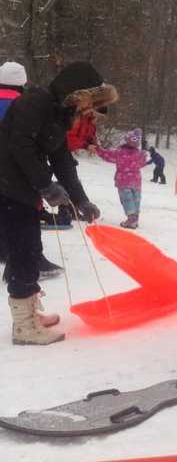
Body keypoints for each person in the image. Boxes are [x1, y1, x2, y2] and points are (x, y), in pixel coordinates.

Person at [0, 61, 113, 345]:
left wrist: (81, 200)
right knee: (23, 251)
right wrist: (45, 185)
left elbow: (62, 160)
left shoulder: (60, 113)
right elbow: (19, 145)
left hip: (23, 186)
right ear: (76, 91)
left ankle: (30, 313)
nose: (90, 108)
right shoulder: (35, 102)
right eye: (91, 100)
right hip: (7, 185)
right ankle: (24, 327)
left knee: (30, 247)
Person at [0, 62, 65, 284]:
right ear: (23, 82)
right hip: (15, 166)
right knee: (26, 209)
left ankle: (4, 250)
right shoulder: (24, 103)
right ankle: (32, 258)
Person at [90, 128, 148, 229]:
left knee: (127, 200)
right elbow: (143, 163)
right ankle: (135, 218)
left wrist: (98, 149)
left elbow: (107, 155)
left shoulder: (119, 152)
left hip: (123, 181)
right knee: (136, 199)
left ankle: (131, 219)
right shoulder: (140, 154)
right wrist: (143, 156)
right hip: (136, 181)